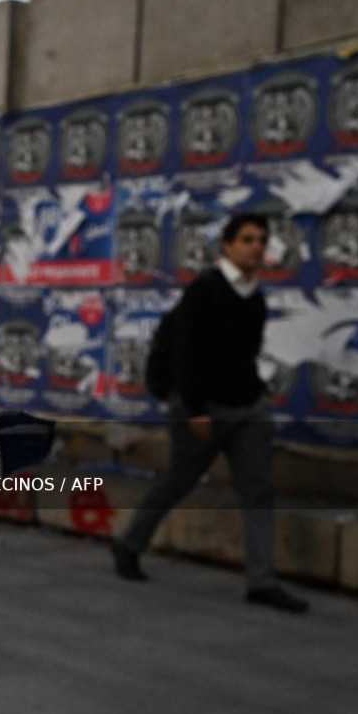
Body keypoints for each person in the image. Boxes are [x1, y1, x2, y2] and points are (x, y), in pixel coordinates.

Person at [111, 213, 309, 613]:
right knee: (178, 481)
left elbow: (244, 356)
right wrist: (195, 410)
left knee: (258, 490)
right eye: (248, 239)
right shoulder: (204, 291)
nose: (256, 246)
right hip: (204, 409)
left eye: (261, 240)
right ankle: (129, 544)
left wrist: (258, 397)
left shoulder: (255, 297)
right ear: (228, 246)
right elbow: (185, 355)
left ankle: (261, 581)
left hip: (247, 409)